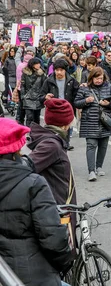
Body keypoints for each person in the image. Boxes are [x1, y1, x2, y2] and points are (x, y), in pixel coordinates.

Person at [0, 118, 74, 285]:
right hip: (34, 275)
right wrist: (63, 263)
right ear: (17, 149)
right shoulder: (33, 183)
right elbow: (54, 238)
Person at [28, 98, 77, 210]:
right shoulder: (51, 144)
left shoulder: (53, 139)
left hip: (57, 204)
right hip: (57, 208)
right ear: (64, 124)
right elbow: (25, 167)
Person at [74, 67, 111, 181]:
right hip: (90, 121)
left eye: (101, 78)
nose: (99, 80)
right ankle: (91, 171)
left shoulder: (109, 87)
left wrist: (108, 104)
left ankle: (99, 167)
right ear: (91, 78)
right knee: (91, 146)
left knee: (103, 145)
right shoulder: (84, 88)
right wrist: (85, 101)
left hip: (105, 121)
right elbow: (76, 103)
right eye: (96, 78)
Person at [20, 57, 47, 127]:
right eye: (37, 64)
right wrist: (23, 96)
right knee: (29, 117)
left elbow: (45, 85)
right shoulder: (25, 73)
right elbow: (22, 85)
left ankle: (36, 132)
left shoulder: (42, 74)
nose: (39, 65)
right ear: (32, 64)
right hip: (28, 97)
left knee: (36, 117)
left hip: (38, 98)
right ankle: (29, 131)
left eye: (39, 63)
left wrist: (43, 96)